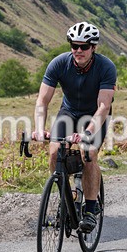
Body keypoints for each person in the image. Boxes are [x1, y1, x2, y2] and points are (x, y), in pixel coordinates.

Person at [33, 21, 117, 233]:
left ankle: (90, 208)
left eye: (84, 47)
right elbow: (42, 101)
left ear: (93, 48)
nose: (78, 50)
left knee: (88, 153)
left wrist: (87, 133)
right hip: (69, 112)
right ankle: (66, 196)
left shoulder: (106, 67)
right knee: (54, 152)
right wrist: (39, 129)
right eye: (74, 45)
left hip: (95, 115)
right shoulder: (59, 63)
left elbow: (103, 106)